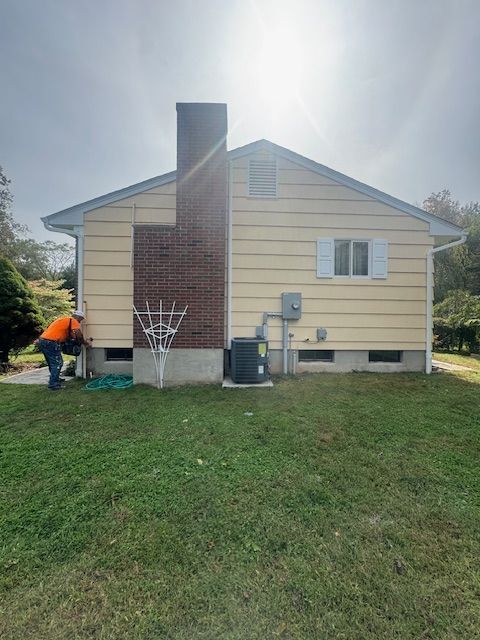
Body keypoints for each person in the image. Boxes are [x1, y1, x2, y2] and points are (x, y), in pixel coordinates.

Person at [36, 310, 91, 391]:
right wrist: (85, 343)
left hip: (43, 341)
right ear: (78, 317)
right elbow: (78, 334)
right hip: (51, 342)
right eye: (81, 319)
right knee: (57, 363)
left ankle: (55, 379)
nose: (80, 321)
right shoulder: (73, 320)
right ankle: (53, 385)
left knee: (52, 363)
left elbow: (68, 335)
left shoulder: (63, 320)